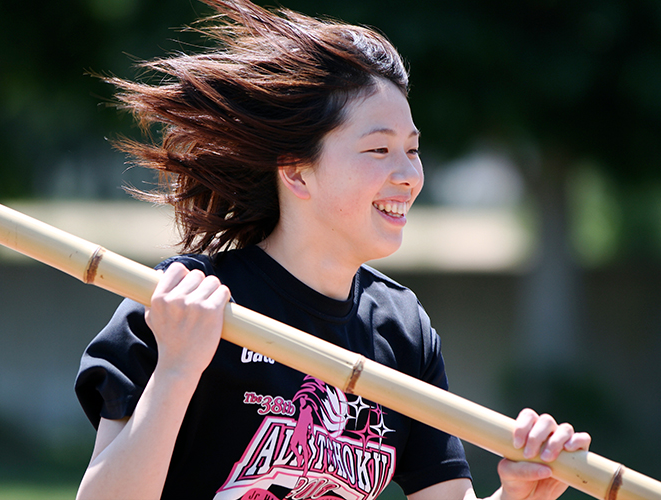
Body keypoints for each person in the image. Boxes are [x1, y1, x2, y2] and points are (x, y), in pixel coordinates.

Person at [74, 1, 591, 499]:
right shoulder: (186, 303)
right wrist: (177, 370)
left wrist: (521, 496)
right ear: (297, 171)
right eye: (379, 149)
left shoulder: (402, 331)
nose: (409, 175)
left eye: (412, 149)